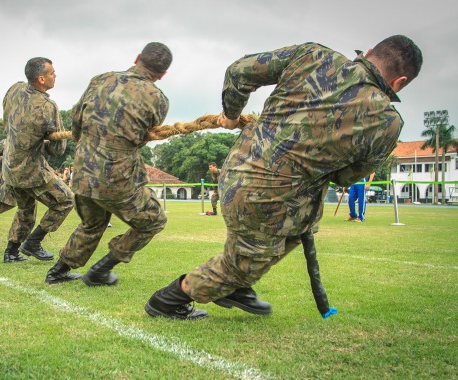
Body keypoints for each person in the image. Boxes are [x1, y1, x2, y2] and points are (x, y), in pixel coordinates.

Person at [145, 35, 423, 319]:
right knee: (240, 266)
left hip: (235, 173)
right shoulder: (388, 122)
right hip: (271, 198)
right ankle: (168, 300)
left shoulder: (315, 56)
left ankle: (238, 286)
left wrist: (231, 113)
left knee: (303, 225)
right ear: (399, 82)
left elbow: (239, 71)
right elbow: (347, 177)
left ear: (370, 51)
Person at [45, 42, 172, 286]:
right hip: (117, 176)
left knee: (92, 223)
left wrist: (88, 145)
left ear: (137, 58)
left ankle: (58, 271)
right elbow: (141, 138)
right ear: (162, 74)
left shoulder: (100, 79)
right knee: (154, 221)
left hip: (82, 170)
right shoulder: (158, 99)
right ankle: (101, 270)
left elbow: (76, 118)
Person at [0, 57, 75, 262]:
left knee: (26, 208)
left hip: (10, 165)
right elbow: (57, 150)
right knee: (65, 200)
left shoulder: (14, 90)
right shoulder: (47, 106)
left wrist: (33, 135)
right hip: (31, 169)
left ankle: (11, 252)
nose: (55, 76)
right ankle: (34, 242)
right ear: (41, 79)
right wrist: (47, 139)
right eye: (52, 73)